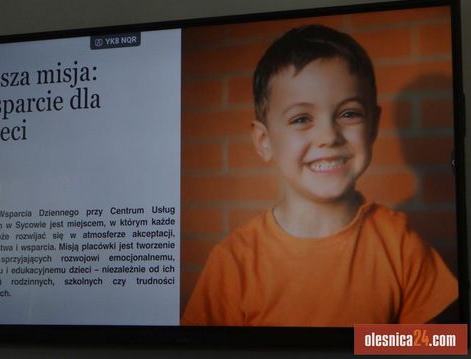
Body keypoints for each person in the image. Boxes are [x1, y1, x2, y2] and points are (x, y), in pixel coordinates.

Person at [181, 25, 458, 327]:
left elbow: (440, 343)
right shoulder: (233, 262)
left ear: (373, 125)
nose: (329, 136)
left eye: (349, 114)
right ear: (264, 141)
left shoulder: (401, 244)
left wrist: (358, 344)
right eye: (301, 119)